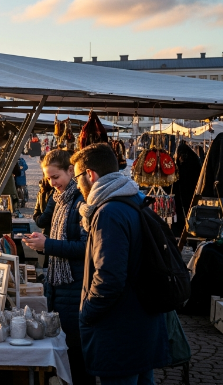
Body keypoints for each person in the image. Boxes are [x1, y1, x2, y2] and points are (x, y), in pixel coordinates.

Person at [71, 143, 170, 384]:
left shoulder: (109, 212)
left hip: (120, 331)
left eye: (77, 177)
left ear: (90, 174)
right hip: (142, 323)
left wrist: (87, 312)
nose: (76, 184)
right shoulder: (134, 198)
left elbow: (109, 278)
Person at [22, 150, 93, 385]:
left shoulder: (81, 202)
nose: (53, 183)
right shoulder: (59, 199)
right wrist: (43, 243)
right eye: (49, 179)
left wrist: (48, 245)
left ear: (71, 171)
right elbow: (46, 225)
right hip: (59, 286)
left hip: (75, 287)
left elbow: (85, 248)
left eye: (56, 177)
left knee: (76, 356)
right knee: (67, 351)